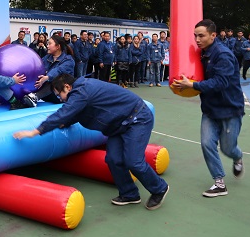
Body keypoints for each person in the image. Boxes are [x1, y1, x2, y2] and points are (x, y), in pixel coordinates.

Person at [13, 73, 169, 210]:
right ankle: (130, 194)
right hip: (118, 125)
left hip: (137, 119)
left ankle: (159, 188)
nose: (60, 99)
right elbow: (75, 114)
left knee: (133, 161)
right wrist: (63, 123)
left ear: (67, 86)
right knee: (113, 159)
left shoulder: (82, 90)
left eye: (60, 94)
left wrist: (36, 131)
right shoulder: (80, 93)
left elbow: (66, 111)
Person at [172, 19, 245, 198]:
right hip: (210, 109)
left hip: (230, 109)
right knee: (207, 144)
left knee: (228, 149)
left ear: (213, 35)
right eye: (195, 36)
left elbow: (221, 82)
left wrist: (193, 85)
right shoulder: (201, 53)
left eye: (201, 36)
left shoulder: (223, 55)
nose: (197, 40)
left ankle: (237, 157)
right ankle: (219, 182)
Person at [25, 34, 75, 104]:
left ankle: (35, 97)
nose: (47, 46)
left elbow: (58, 70)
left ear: (57, 46)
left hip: (60, 94)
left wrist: (47, 77)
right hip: (47, 93)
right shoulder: (47, 58)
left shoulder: (68, 60)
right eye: (47, 44)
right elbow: (38, 65)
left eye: (50, 44)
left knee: (55, 80)